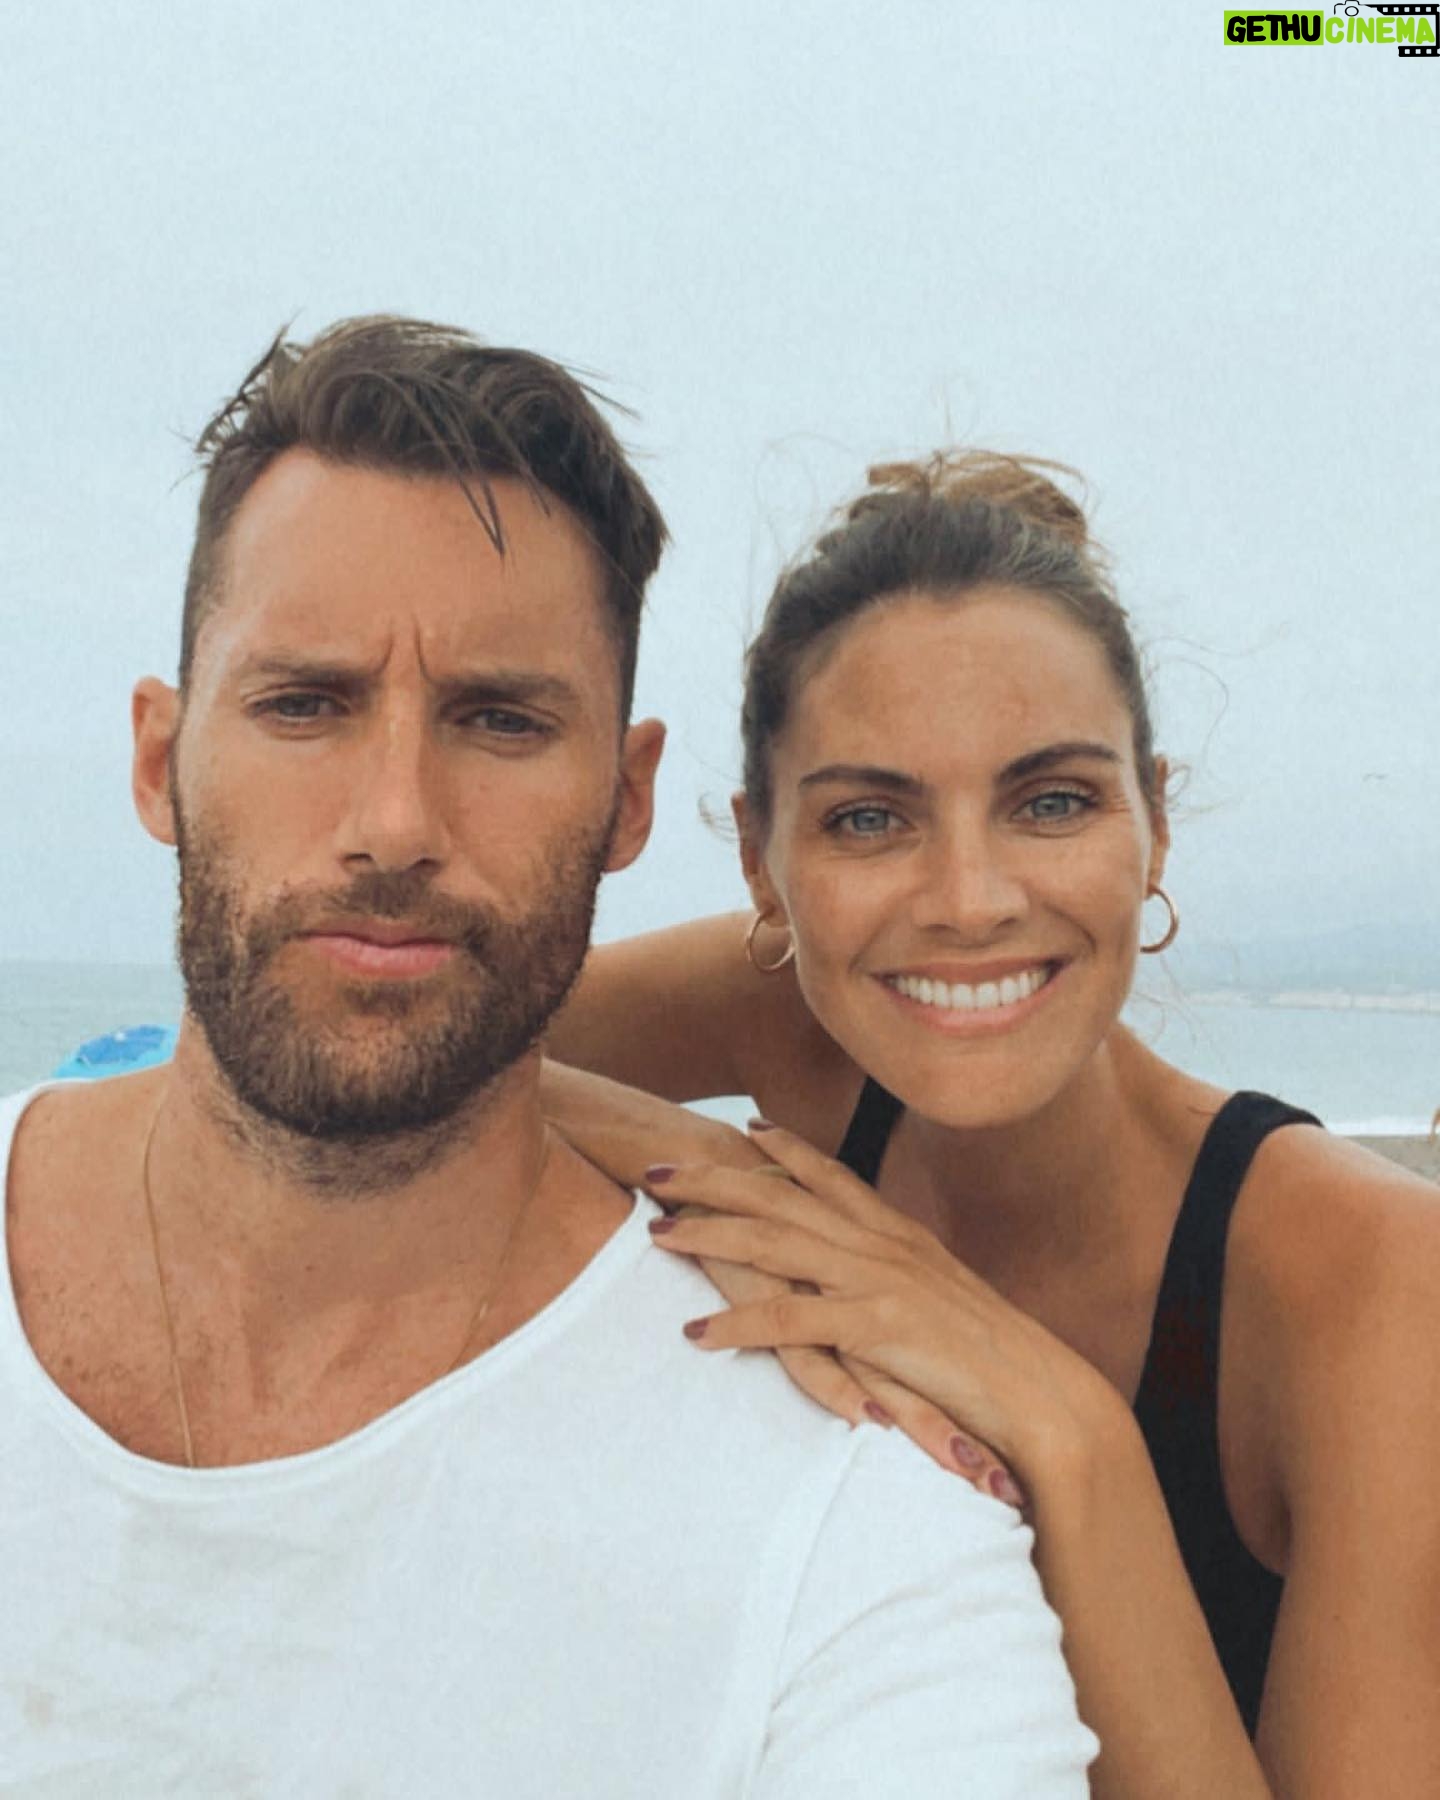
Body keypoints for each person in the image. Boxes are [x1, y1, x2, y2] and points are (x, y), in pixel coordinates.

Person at [0, 325, 1096, 1794]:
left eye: (501, 720)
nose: (395, 822)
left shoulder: (853, 1515)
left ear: (629, 800)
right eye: (304, 704)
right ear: (159, 759)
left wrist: (1076, 1438)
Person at [542, 452, 1440, 1797]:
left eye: (1052, 802)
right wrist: (721, 1173)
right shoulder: (788, 1017)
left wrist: (1064, 1427)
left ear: (1155, 823)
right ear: (759, 862)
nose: (969, 901)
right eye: (869, 819)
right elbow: (415, 1062)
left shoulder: (1377, 1287)